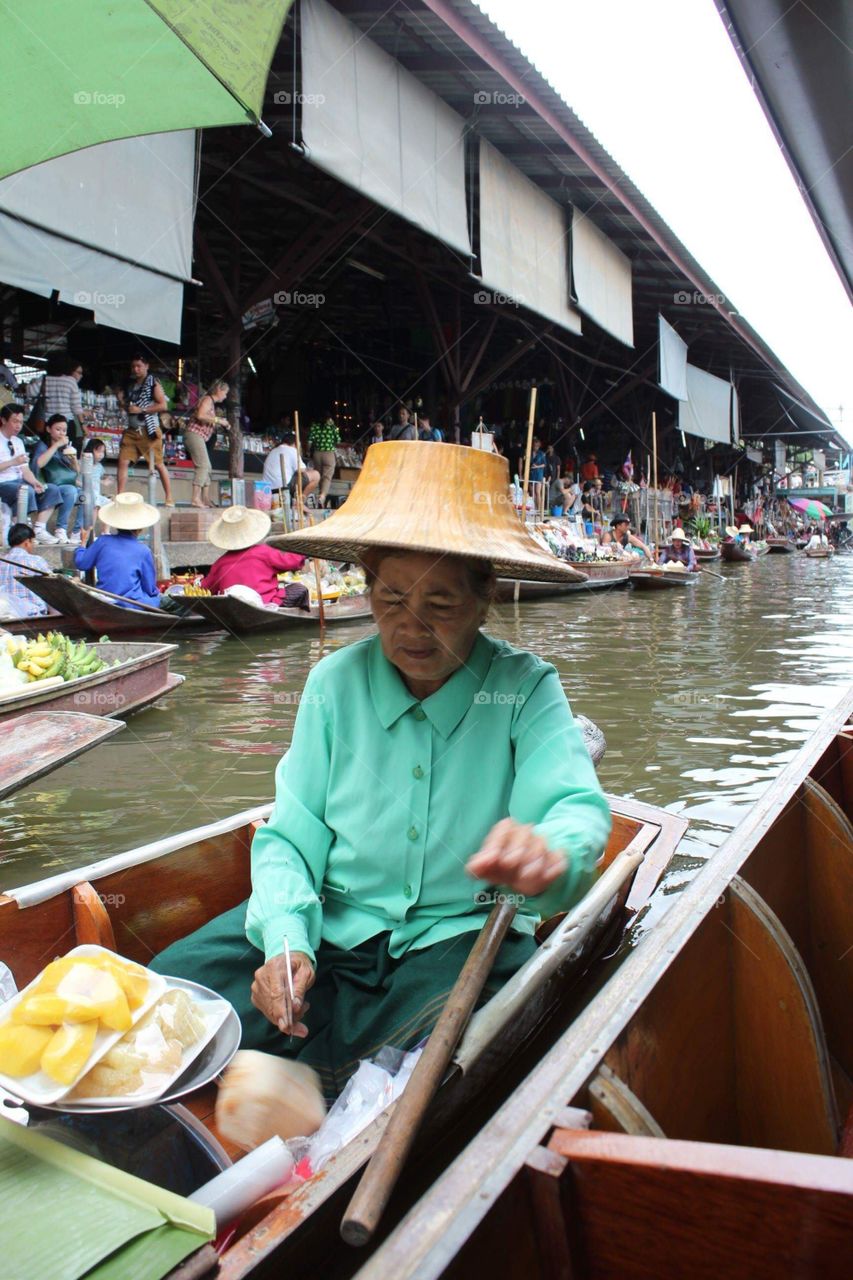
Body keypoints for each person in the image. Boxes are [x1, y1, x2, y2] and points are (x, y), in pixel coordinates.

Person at [151, 441, 611, 1101]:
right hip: (330, 921)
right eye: (391, 599)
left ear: (486, 599)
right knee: (172, 991)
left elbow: (573, 809)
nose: (412, 627)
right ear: (366, 589)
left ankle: (321, 1092)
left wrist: (548, 857)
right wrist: (287, 940)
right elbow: (290, 838)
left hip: (453, 938)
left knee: (432, 1059)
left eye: (442, 604)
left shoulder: (522, 688)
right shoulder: (333, 685)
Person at [202, 508, 310, 608]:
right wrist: (304, 550)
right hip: (266, 603)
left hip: (232, 607)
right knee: (299, 589)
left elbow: (206, 589)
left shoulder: (220, 562)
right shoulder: (263, 551)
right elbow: (291, 562)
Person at [73, 492, 161, 609]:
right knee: (157, 599)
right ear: (140, 528)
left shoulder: (103, 541)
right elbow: (149, 588)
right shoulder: (143, 550)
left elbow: (81, 563)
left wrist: (83, 543)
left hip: (104, 598)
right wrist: (156, 595)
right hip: (130, 603)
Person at [0, 403, 63, 544]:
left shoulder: (18, 442)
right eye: (15, 421)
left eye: (21, 422)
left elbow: (25, 469)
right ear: (3, 420)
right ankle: (21, 530)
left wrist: (35, 481)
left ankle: (39, 529)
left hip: (20, 481)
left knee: (51, 489)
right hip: (3, 483)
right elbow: (16, 463)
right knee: (25, 490)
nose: (18, 426)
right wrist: (12, 462)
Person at [117, 354, 173, 506]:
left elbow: (163, 405)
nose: (136, 369)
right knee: (123, 461)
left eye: (139, 366)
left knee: (158, 464)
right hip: (132, 429)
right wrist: (122, 401)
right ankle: (119, 495)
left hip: (149, 429)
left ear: (147, 366)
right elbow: (127, 406)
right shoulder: (130, 384)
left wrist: (141, 409)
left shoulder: (153, 382)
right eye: (133, 366)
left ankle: (169, 497)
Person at [31, 415, 83, 544]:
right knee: (70, 490)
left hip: (63, 484)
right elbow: (38, 464)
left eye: (64, 430)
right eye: (58, 429)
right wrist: (56, 445)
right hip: (46, 484)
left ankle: (75, 532)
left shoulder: (64, 449)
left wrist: (73, 459)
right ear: (49, 429)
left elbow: (76, 472)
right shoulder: (43, 445)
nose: (61, 433)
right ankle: (60, 528)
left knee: (85, 494)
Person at [185, 380, 229, 509]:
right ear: (219, 390)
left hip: (198, 436)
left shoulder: (211, 403)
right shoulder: (207, 399)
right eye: (225, 393)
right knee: (203, 465)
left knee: (207, 467)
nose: (225, 396)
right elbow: (200, 415)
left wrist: (222, 423)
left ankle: (205, 499)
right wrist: (218, 420)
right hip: (194, 434)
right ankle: (195, 499)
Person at [0, 523, 51, 618]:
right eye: (33, 542)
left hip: (4, 612)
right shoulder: (35, 561)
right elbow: (53, 584)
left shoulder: (1, 561)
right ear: (27, 542)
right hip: (32, 613)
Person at [262, 432, 319, 515]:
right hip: (283, 487)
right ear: (295, 443)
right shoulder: (292, 450)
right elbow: (302, 470)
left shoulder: (273, 450)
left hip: (268, 489)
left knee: (297, 477)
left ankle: (296, 501)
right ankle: (300, 503)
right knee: (316, 475)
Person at [44, 357, 89, 444]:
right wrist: (83, 425)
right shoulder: (70, 381)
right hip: (66, 423)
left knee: (49, 448)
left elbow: (30, 391)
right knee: (67, 449)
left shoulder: (44, 380)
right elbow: (76, 408)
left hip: (49, 423)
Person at [308, 413, 341, 508]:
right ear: (329, 418)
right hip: (329, 453)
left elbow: (310, 441)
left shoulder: (314, 426)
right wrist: (333, 426)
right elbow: (338, 440)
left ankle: (320, 497)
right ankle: (322, 496)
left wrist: (308, 451)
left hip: (317, 453)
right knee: (327, 477)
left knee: (318, 476)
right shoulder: (332, 427)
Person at [81, 438, 111, 509]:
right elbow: (78, 481)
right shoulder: (83, 464)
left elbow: (96, 479)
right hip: (84, 493)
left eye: (103, 452)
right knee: (96, 504)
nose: (101, 455)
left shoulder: (99, 467)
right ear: (90, 451)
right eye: (98, 451)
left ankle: (93, 520)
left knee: (109, 504)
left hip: (96, 495)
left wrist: (103, 481)